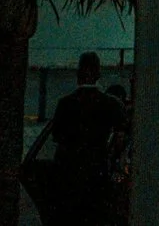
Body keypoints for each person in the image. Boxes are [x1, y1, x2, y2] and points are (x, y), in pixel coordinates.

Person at [23, 53, 126, 226]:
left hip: (67, 176)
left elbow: (57, 138)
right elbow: (120, 140)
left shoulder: (66, 104)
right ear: (98, 74)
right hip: (97, 175)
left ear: (78, 74)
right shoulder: (111, 105)